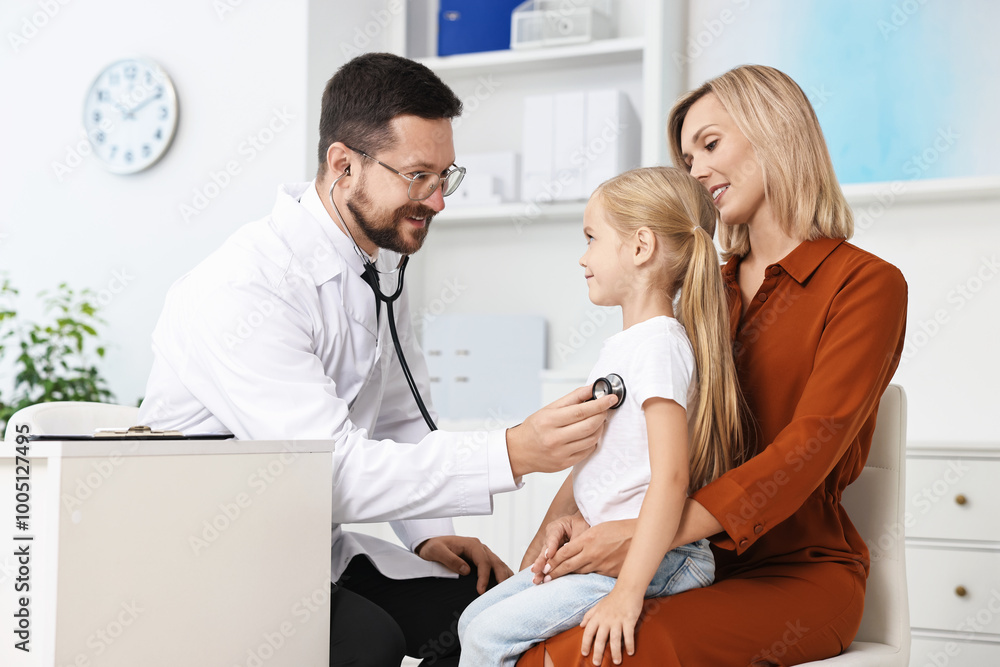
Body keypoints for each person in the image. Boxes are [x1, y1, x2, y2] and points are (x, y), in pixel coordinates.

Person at [136, 52, 616, 667]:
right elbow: (326, 472)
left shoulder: (378, 264)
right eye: (419, 176)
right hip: (218, 559)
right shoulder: (242, 288)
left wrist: (429, 532)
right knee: (369, 642)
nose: (439, 201)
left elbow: (399, 417)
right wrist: (512, 450)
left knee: (492, 612)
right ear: (344, 165)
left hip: (310, 543)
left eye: (446, 176)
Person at [517, 64, 908, 666]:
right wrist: (563, 517)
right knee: (534, 642)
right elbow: (640, 428)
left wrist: (646, 534)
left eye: (710, 144)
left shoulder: (866, 286)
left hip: (797, 577)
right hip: (684, 564)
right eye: (686, 157)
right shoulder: (703, 293)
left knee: (607, 653)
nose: (695, 170)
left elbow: (806, 450)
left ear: (775, 132)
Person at [456, 166, 746, 666]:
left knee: (487, 637)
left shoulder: (659, 346)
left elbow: (672, 479)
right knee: (470, 621)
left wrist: (627, 595)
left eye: (592, 238)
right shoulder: (626, 347)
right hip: (606, 549)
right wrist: (537, 555)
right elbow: (596, 462)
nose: (583, 257)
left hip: (658, 561)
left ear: (640, 247)